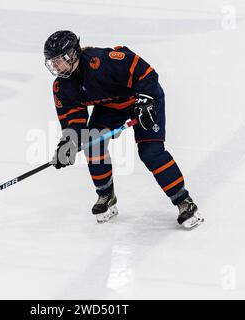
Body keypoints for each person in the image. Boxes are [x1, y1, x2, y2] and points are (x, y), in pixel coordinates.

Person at [45, 30, 204, 229]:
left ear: (73, 54)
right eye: (52, 62)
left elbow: (145, 72)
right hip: (111, 106)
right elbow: (74, 121)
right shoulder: (62, 87)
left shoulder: (101, 61)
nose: (55, 66)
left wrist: (145, 101)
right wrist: (68, 143)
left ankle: (184, 201)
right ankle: (106, 196)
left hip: (143, 99)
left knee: (151, 153)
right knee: (92, 143)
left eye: (59, 60)